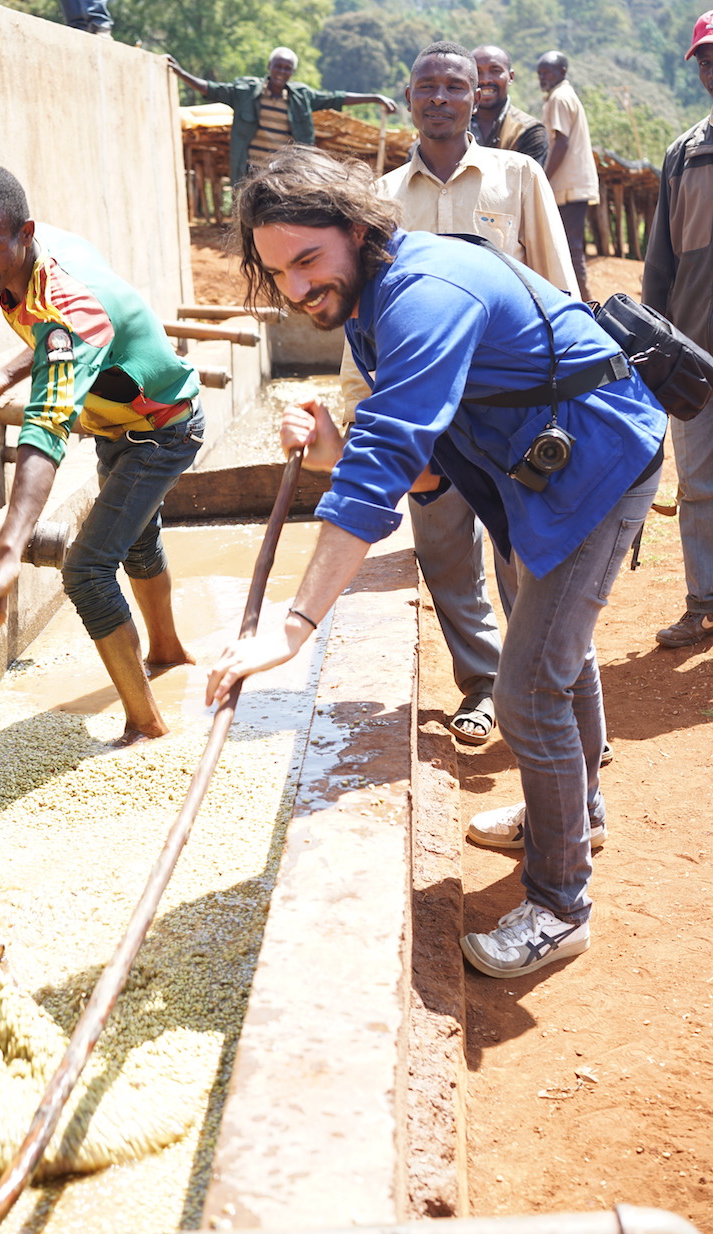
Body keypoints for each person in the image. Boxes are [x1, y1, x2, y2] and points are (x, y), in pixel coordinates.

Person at [206, 146, 666, 979]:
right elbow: (419, 466)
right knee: (553, 650)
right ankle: (573, 810)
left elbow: (384, 464)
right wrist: (329, 450)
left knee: (528, 685)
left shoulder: (422, 294)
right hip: (533, 473)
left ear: (354, 229)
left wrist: (296, 626)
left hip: (598, 463)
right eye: (280, 275)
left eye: (307, 260)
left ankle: (561, 907)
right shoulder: (366, 302)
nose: (298, 288)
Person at [335, 41, 578, 747]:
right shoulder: (377, 199)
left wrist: (563, 397)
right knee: (443, 549)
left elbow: (557, 290)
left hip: (511, 404)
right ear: (408, 99)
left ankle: (549, 695)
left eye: (453, 86)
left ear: (478, 98)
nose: (438, 98)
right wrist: (358, 404)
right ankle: (479, 685)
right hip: (421, 407)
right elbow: (357, 312)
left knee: (526, 551)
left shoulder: (517, 176)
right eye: (425, 86)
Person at [0, 164, 204, 748]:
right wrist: (4, 372)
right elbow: (54, 341)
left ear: (23, 233)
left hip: (161, 428)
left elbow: (48, 422)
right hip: (117, 424)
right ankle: (167, 649)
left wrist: (7, 553)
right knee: (135, 537)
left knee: (86, 569)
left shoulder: (69, 300)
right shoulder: (31, 256)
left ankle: (146, 721)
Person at [642, 9, 713, 649]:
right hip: (696, 354)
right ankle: (703, 602)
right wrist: (652, 354)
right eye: (709, 61)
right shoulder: (685, 153)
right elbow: (660, 264)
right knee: (699, 484)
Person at [165, 48, 397, 186]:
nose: (281, 72)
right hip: (251, 170)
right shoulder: (246, 93)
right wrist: (181, 73)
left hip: (284, 172)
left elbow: (336, 98)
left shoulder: (300, 98)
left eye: (287, 68)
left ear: (291, 72)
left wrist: (375, 97)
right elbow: (211, 88)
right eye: (278, 66)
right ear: (269, 66)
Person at [537, 51, 599, 301]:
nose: (543, 78)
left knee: (569, 248)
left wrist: (542, 177)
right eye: (540, 73)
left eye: (548, 72)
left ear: (562, 71)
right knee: (569, 246)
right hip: (573, 183)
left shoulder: (559, 98)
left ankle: (586, 304)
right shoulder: (563, 95)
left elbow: (560, 142)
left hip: (568, 185)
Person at [470, 44, 548, 167]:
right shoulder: (451, 125)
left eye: (495, 71)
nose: (485, 80)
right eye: (477, 72)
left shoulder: (529, 131)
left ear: (511, 77)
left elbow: (527, 183)